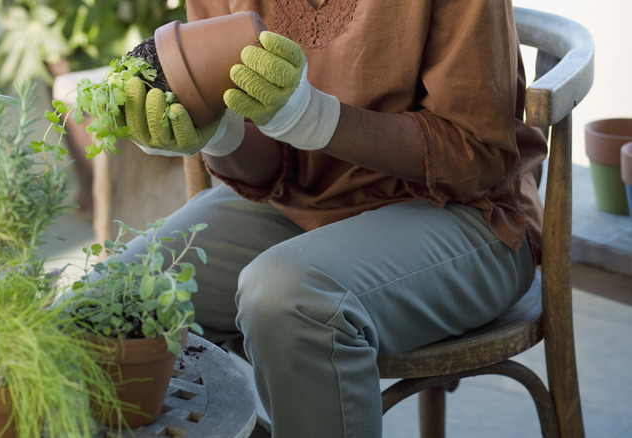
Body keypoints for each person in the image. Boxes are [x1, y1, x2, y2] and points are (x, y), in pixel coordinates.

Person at [119, 0, 546, 436]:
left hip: (469, 216)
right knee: (114, 295)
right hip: (298, 204)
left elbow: (478, 156)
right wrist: (219, 133)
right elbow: (267, 171)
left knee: (289, 299)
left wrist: (313, 116)